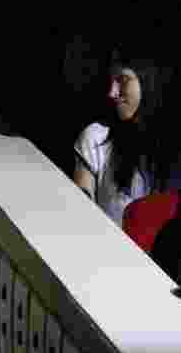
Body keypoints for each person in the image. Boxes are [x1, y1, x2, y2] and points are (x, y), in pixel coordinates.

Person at [73, 48, 172, 226]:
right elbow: (81, 213)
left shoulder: (174, 153)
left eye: (123, 80)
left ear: (148, 80)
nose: (112, 92)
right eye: (111, 81)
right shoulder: (96, 137)